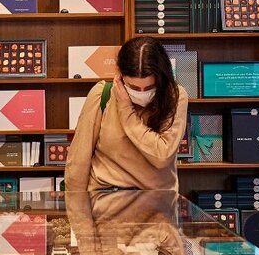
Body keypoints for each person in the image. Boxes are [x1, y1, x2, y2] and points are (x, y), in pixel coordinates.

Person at [65, 36, 188, 191]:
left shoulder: (175, 96)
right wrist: (78, 211)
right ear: (121, 77)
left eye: (150, 87)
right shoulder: (102, 94)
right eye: (134, 87)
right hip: (106, 200)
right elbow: (78, 160)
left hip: (155, 203)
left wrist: (125, 109)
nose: (142, 93)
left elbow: (162, 156)